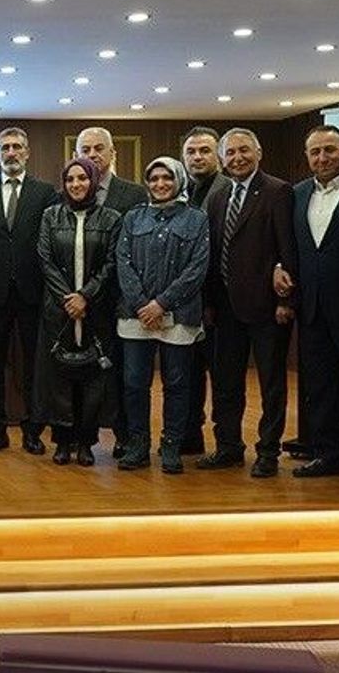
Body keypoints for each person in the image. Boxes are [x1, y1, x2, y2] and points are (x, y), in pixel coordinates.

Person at [199, 128, 296, 478]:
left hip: (267, 307)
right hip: (225, 308)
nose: (237, 158)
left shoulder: (277, 191)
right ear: (222, 159)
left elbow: (288, 247)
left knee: (271, 384)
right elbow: (213, 254)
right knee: (225, 383)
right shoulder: (218, 196)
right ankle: (228, 447)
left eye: (244, 151)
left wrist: (287, 299)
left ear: (258, 153)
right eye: (231, 153)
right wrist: (209, 303)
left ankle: (268, 451)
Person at [0, 127, 56, 454]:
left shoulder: (46, 193)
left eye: (17, 147)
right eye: (6, 148)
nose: (12, 153)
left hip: (35, 294)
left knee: (35, 367)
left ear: (27, 152)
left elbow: (52, 243)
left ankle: (33, 431)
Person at [115, 157, 209, 473]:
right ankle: (138, 445)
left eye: (167, 178)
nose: (160, 184)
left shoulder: (196, 219)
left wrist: (162, 304)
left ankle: (171, 446)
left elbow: (197, 268)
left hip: (179, 314)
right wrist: (143, 304)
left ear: (179, 180)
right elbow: (123, 262)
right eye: (154, 179)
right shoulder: (133, 217)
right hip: (136, 314)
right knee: (134, 383)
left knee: (177, 384)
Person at [33, 157, 122, 466]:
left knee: (92, 379)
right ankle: (62, 441)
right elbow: (45, 259)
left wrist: (86, 297)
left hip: (95, 312)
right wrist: (69, 300)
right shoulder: (50, 215)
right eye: (70, 179)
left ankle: (86, 443)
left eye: (82, 178)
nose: (76, 184)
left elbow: (112, 263)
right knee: (59, 376)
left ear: (93, 181)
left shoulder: (111, 218)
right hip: (59, 312)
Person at [296, 125, 339, 481]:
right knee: (322, 387)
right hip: (312, 309)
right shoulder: (298, 194)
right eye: (315, 152)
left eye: (329, 150)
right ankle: (329, 455)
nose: (322, 158)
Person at [75, 127, 145, 459]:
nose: (92, 155)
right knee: (84, 371)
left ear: (113, 153)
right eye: (85, 149)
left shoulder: (134, 194)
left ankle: (124, 435)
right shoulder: (67, 193)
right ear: (76, 155)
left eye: (98, 148)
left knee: (122, 373)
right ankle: (83, 437)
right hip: (79, 301)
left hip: (121, 298)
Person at [179, 126, 229, 456]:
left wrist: (210, 302)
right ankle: (190, 435)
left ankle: (226, 444)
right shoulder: (181, 191)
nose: (197, 157)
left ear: (218, 156)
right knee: (188, 374)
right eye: (191, 152)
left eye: (205, 151)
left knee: (223, 378)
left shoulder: (227, 190)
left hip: (222, 302)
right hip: (188, 303)